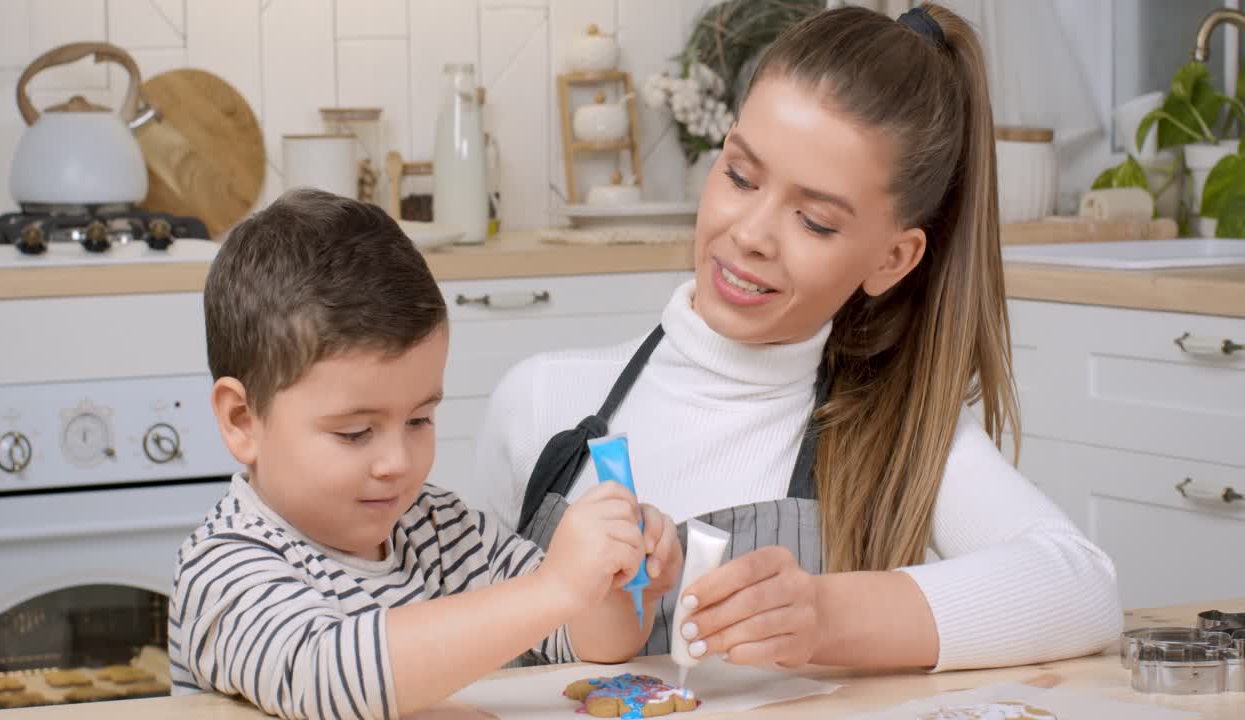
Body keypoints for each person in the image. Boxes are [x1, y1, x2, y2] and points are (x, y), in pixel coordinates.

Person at [472, 4, 1122, 672]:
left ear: (892, 260)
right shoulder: (541, 402)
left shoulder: (899, 436)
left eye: (813, 221)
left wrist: (827, 618)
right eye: (739, 176)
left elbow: (1083, 585)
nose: (750, 233)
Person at [169, 188, 683, 720]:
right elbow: (329, 678)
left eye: (419, 420)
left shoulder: (443, 529)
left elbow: (585, 641)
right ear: (242, 420)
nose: (397, 461)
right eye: (354, 433)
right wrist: (556, 585)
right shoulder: (225, 567)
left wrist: (614, 583)